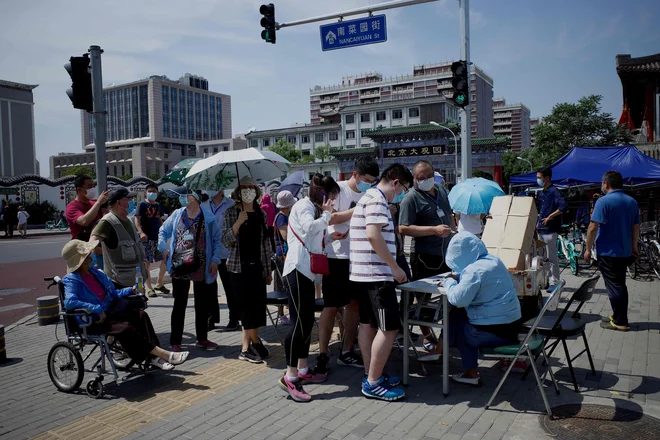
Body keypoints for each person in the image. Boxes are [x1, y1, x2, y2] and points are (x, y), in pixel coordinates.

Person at [62, 239, 190, 370]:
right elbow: (69, 302)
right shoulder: (72, 279)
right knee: (126, 328)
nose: (90, 255)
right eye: (87, 254)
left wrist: (131, 290)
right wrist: (96, 309)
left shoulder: (95, 273)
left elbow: (113, 293)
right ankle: (164, 355)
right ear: (81, 260)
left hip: (111, 310)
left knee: (141, 315)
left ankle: (155, 358)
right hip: (93, 319)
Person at [350, 163, 412, 401]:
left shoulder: (368, 197)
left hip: (363, 275)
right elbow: (373, 235)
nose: (402, 193)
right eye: (403, 188)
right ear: (395, 182)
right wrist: (394, 267)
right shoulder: (377, 200)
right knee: (389, 328)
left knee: (368, 325)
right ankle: (373, 383)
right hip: (376, 276)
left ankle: (371, 374)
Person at [315, 157, 380, 376]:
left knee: (354, 305)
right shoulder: (338, 190)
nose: (369, 185)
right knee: (331, 306)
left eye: (372, 181)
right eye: (366, 180)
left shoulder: (370, 193)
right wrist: (360, 209)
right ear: (355, 175)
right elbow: (329, 218)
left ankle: (346, 350)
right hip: (337, 257)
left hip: (360, 258)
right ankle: (323, 353)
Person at [278, 174, 338, 402]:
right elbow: (309, 228)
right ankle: (290, 376)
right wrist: (327, 215)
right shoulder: (304, 206)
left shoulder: (312, 208)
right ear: (323, 193)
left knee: (304, 322)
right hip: (296, 269)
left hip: (306, 271)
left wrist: (332, 237)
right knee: (299, 325)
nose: (332, 201)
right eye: (331, 196)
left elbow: (314, 239)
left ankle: (302, 369)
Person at [440, 232, 522, 385]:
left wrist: (448, 282)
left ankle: (468, 372)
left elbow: (458, 299)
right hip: (513, 325)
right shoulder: (493, 260)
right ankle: (441, 351)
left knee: (459, 327)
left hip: (498, 333)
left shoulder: (473, 271)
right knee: (457, 315)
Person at [399, 160, 455, 354]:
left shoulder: (440, 189)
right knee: (421, 299)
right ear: (414, 179)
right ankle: (427, 334)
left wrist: (455, 234)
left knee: (451, 297)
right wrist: (433, 230)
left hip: (446, 254)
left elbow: (448, 214)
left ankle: (446, 339)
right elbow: (403, 228)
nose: (426, 180)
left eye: (429, 176)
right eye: (421, 178)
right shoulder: (410, 198)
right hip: (424, 256)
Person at [158, 186, 222, 351]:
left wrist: (215, 260)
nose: (181, 199)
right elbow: (163, 231)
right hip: (180, 264)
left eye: (184, 196)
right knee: (179, 304)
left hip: (201, 265)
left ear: (193, 197)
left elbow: (217, 240)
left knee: (202, 304)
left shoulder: (208, 217)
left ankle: (202, 338)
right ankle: (175, 341)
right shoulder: (177, 214)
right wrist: (163, 249)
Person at [223, 177, 274, 363]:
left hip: (257, 266)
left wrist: (268, 270)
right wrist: (237, 223)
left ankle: (247, 347)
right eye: (244, 188)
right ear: (238, 192)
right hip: (238, 268)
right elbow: (226, 241)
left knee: (257, 308)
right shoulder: (231, 212)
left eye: (251, 187)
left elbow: (265, 244)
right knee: (246, 309)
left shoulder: (260, 214)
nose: (248, 191)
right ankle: (254, 343)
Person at [585, 171, 639, 332]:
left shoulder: (603, 202)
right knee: (620, 284)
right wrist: (634, 246)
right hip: (625, 251)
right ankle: (618, 315)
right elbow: (636, 227)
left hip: (608, 251)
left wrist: (587, 249)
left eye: (602, 184)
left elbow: (592, 227)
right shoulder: (631, 201)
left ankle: (620, 321)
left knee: (615, 287)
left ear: (606, 184)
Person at [91, 188, 148, 289]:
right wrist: (106, 254)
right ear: (119, 202)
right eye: (128, 198)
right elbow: (92, 244)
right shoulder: (107, 221)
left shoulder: (129, 221)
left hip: (137, 279)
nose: (132, 201)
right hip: (118, 283)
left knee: (139, 303)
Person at [201, 187, 238, 332]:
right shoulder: (204, 205)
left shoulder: (231, 204)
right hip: (208, 253)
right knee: (209, 287)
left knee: (230, 287)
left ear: (222, 189)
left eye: (215, 186)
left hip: (226, 252)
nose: (211, 189)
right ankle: (211, 319)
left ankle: (234, 318)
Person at [536, 167, 568, 292]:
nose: (538, 180)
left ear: (547, 178)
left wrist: (550, 216)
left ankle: (554, 282)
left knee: (552, 258)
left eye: (539, 177)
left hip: (550, 230)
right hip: (540, 230)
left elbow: (563, 206)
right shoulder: (542, 192)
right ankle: (545, 280)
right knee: (542, 258)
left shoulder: (554, 191)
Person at [135, 184, 169, 297]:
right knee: (147, 263)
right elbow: (137, 219)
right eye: (149, 191)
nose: (152, 193)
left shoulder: (158, 205)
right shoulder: (142, 204)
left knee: (165, 259)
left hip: (157, 238)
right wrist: (141, 232)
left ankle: (159, 283)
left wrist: (164, 232)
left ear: (157, 193)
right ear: (145, 192)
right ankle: (149, 287)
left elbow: (160, 219)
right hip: (146, 238)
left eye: (154, 191)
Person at [273, 190, 297, 325]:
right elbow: (285, 236)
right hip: (283, 255)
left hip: (283, 255)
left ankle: (283, 312)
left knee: (282, 283)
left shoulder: (282, 216)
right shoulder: (282, 217)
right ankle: (282, 314)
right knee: (282, 284)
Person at [65, 175, 109, 240]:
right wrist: (98, 203)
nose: (93, 188)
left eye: (93, 186)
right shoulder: (72, 207)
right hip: (82, 246)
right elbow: (84, 221)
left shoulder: (94, 204)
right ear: (79, 189)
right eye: (89, 186)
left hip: (97, 245)